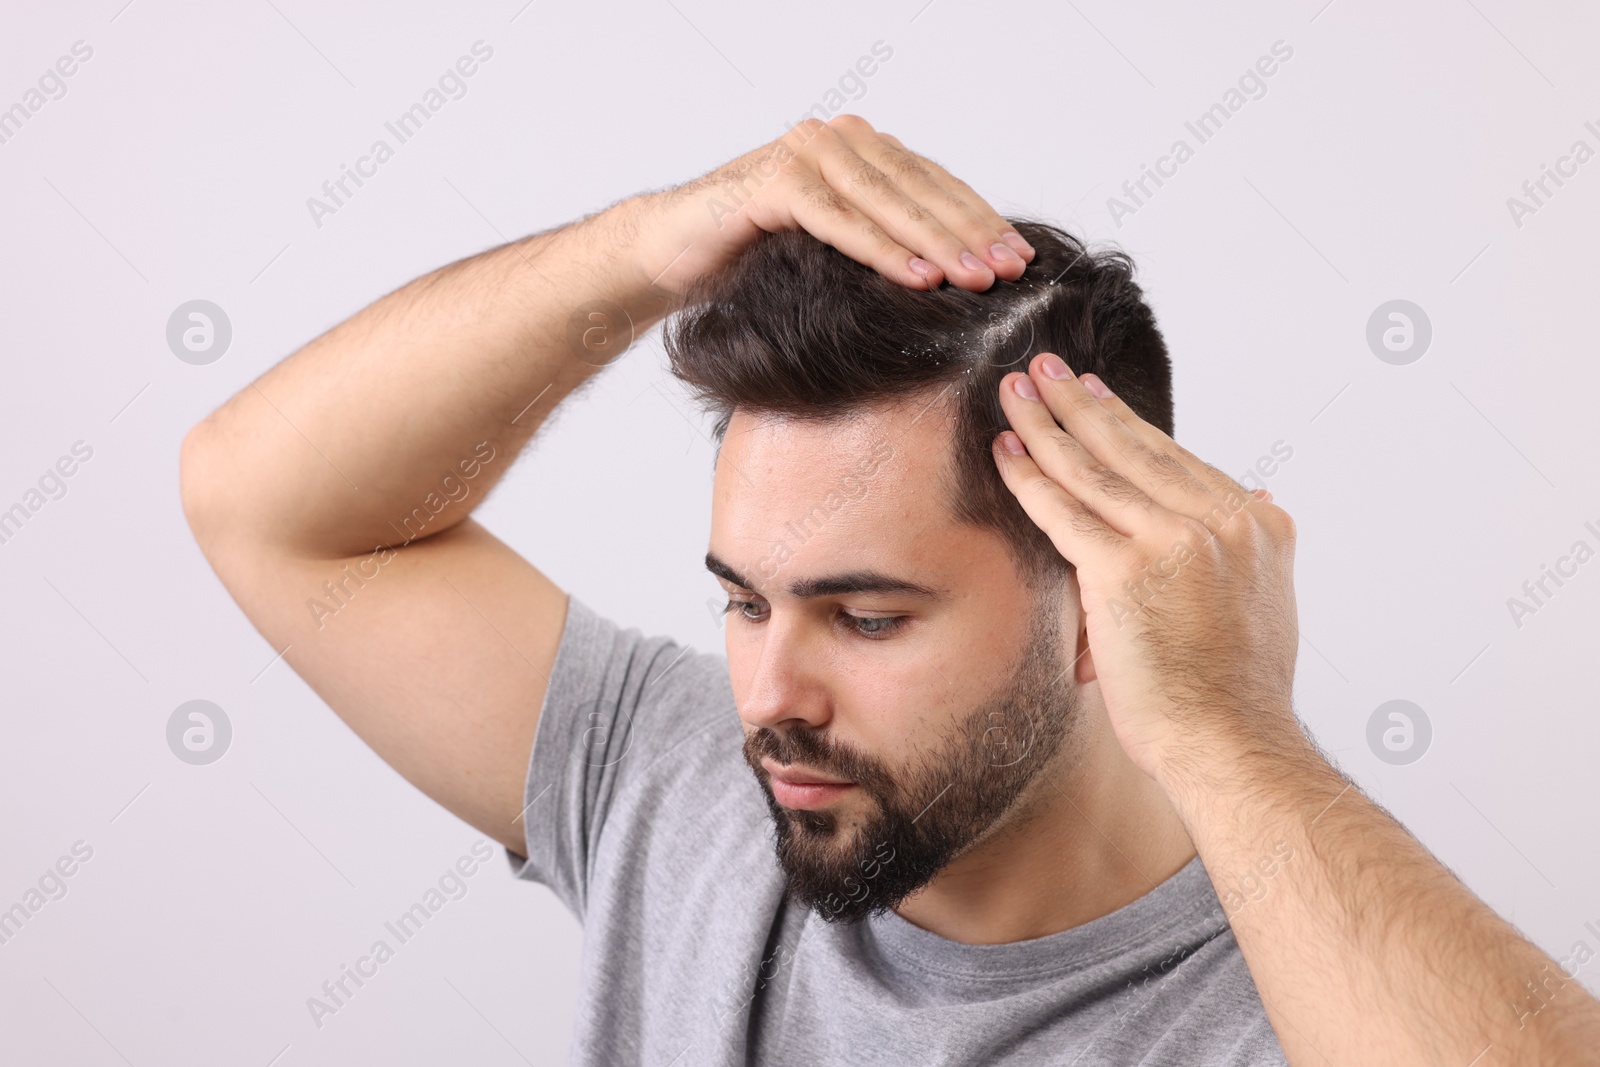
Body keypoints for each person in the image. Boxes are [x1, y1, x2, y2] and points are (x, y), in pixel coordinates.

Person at [180, 115, 1600, 1065]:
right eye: (744, 601)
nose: (771, 699)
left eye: (866, 618)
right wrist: (649, 246)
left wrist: (1235, 730)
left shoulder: (1287, 1007)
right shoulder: (675, 790)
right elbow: (275, 512)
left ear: (1099, 605)